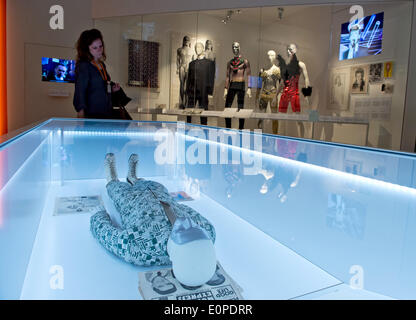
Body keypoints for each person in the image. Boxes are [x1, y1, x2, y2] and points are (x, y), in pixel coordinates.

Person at [90, 153, 217, 286]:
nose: (187, 223)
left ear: (175, 256)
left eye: (185, 234)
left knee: (117, 190)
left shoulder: (139, 250)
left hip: (131, 202)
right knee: (153, 185)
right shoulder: (209, 230)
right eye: (195, 229)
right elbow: (186, 209)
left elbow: (108, 236)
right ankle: (133, 178)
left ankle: (112, 179)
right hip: (159, 195)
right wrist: (175, 206)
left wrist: (99, 217)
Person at [73, 29, 121, 119]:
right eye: (95, 48)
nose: (99, 50)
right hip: (91, 115)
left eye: (101, 46)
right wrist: (80, 114)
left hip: (106, 113)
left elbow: (100, 88)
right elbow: (80, 92)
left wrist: (112, 89)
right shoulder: (84, 66)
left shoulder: (102, 65)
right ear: (86, 49)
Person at [224, 42, 252, 130]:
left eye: (236, 47)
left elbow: (249, 75)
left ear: (239, 47)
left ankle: (241, 128)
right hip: (232, 84)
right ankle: (228, 128)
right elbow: (228, 76)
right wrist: (225, 88)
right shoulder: (230, 62)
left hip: (241, 84)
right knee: (227, 107)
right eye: (233, 47)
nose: (235, 49)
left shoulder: (245, 61)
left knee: (241, 108)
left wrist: (249, 88)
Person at [256, 50, 281, 133]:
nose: (270, 57)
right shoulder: (262, 70)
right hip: (263, 94)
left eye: (272, 55)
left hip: (273, 95)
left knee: (274, 117)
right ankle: (259, 138)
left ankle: (274, 137)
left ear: (275, 57)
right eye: (269, 55)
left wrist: (278, 96)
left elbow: (281, 84)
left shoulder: (277, 70)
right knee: (260, 117)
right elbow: (259, 85)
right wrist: (256, 97)